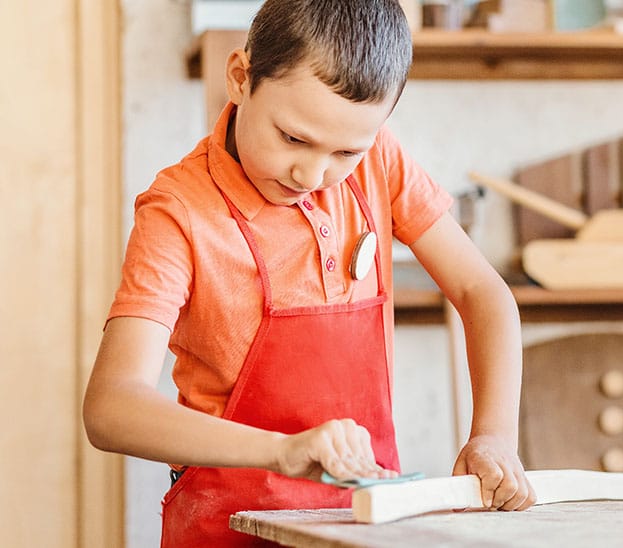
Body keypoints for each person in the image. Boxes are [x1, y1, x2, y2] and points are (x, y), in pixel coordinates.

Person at [82, 1, 535, 545]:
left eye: (345, 150)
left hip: (365, 524)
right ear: (240, 78)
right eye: (293, 138)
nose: (313, 174)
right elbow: (111, 407)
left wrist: (494, 436)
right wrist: (283, 450)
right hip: (228, 528)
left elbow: (480, 290)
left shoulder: (377, 162)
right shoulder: (178, 212)